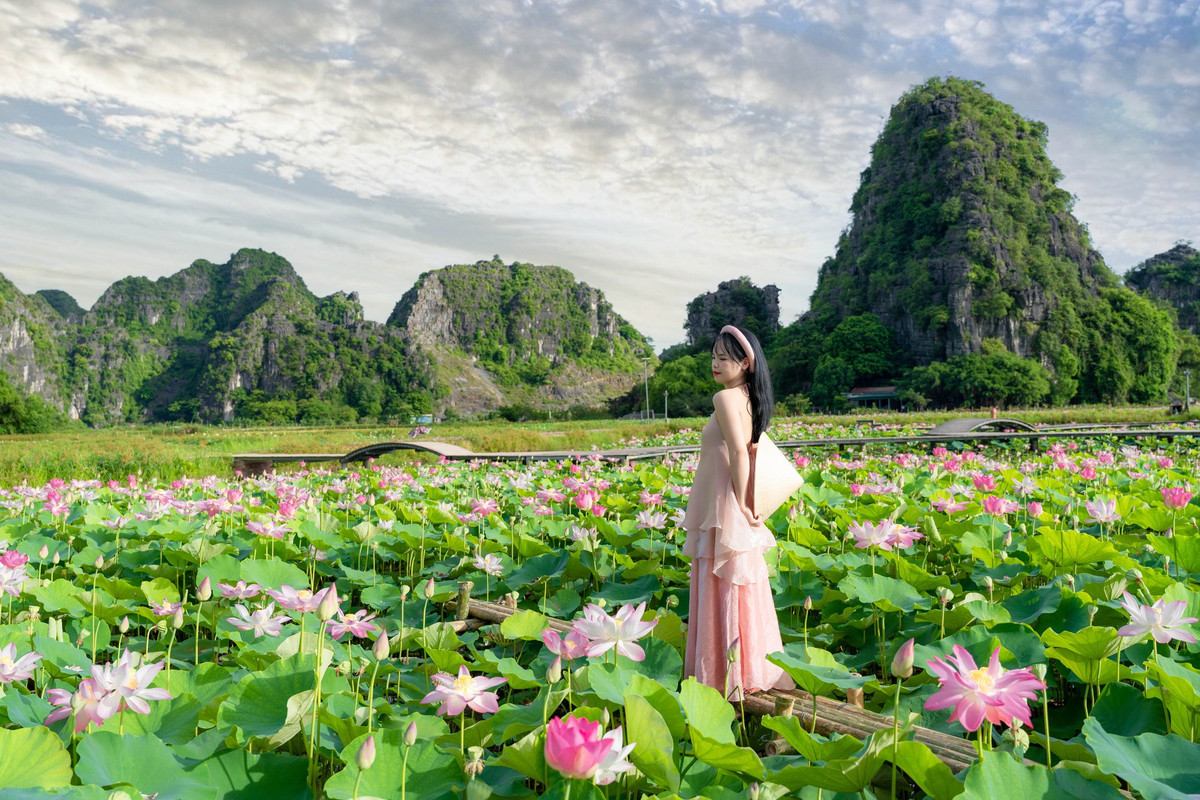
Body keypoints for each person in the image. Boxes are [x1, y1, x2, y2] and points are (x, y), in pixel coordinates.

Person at [681, 324, 792, 698]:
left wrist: (746, 506)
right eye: (713, 356)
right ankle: (747, 669)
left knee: (723, 585)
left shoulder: (725, 399)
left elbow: (741, 453)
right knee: (739, 588)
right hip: (727, 500)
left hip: (724, 504)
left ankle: (722, 676)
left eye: (724, 358)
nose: (715, 363)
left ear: (745, 363)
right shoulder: (746, 397)